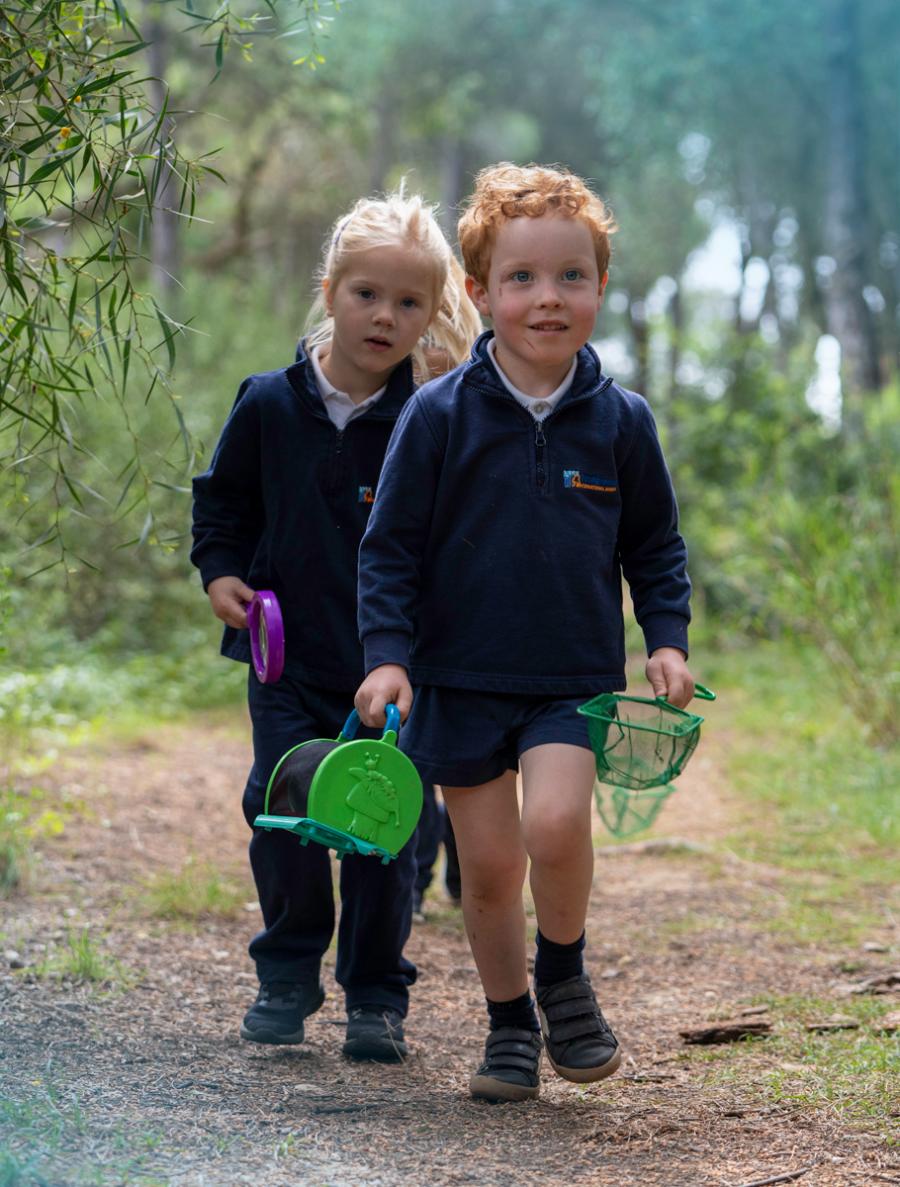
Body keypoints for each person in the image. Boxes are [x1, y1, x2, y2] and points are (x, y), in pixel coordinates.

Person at [354, 163, 696, 1100]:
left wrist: (664, 634)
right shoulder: (435, 416)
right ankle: (508, 1024)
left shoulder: (621, 424)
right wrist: (386, 658)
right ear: (478, 292)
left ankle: (564, 975)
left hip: (569, 676)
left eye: (571, 277)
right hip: (458, 678)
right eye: (522, 278)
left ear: (599, 287)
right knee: (491, 868)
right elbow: (387, 551)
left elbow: (655, 545)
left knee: (552, 823)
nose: (548, 298)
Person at [191, 190, 481, 1063]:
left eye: (407, 302)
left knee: (384, 821)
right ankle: (286, 971)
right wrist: (222, 573)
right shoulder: (269, 405)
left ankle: (375, 997)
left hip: (390, 671)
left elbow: (449, 540)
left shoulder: (424, 420)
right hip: (287, 660)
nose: (384, 317)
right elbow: (222, 503)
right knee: (278, 802)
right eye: (366, 294)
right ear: (329, 291)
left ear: (432, 314)